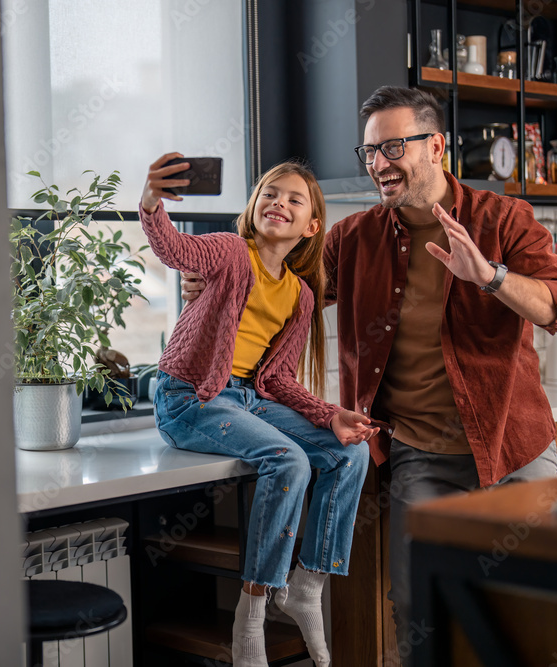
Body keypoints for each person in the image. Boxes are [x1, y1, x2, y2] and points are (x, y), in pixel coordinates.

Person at [181, 86, 557, 663]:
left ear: (436, 147)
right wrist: (216, 280)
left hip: (511, 449)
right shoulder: (353, 239)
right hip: (421, 456)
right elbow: (276, 286)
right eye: (368, 151)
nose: (378, 164)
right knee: (418, 612)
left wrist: (489, 275)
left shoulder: (502, 219)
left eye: (393, 146)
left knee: (531, 608)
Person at [141, 153, 377, 667]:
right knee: (288, 461)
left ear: (312, 225)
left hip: (249, 398)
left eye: (295, 199)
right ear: (254, 205)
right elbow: (173, 248)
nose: (279, 203)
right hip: (190, 397)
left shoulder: (301, 296)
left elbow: (277, 380)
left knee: (350, 455)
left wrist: (328, 415)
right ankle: (251, 614)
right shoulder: (229, 252)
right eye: (271, 193)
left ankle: (307, 586)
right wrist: (152, 200)